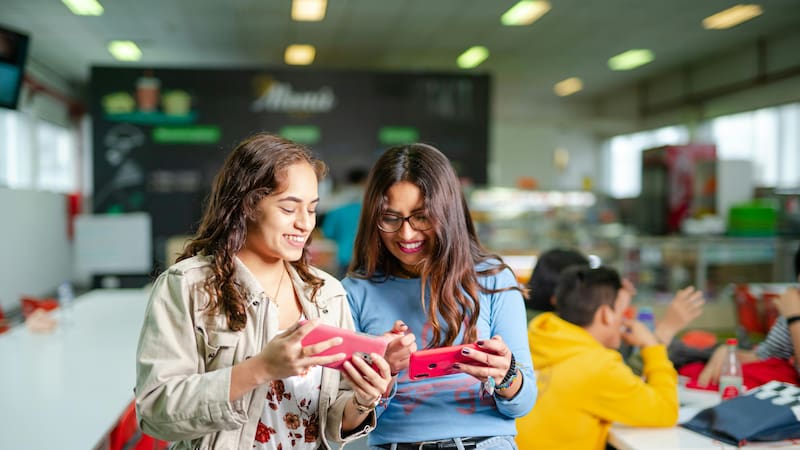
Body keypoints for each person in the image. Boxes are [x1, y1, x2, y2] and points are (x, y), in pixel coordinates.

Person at [135, 133, 393, 450]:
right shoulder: (188, 286)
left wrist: (363, 401)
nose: (305, 224)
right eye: (289, 208)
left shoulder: (326, 293)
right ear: (248, 205)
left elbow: (331, 418)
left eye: (312, 209)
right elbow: (155, 413)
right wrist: (261, 368)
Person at [343, 143, 536, 450]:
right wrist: (385, 373)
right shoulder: (354, 291)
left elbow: (523, 404)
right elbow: (347, 423)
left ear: (448, 214)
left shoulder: (493, 279)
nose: (406, 234)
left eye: (421, 217)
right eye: (390, 218)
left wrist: (506, 374)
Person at [516, 265, 681, 450]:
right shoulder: (598, 365)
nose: (626, 321)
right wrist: (652, 346)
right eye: (623, 313)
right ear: (606, 314)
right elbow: (666, 411)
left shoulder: (535, 340)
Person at [526, 247, 705, 348]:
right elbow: (625, 382)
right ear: (557, 299)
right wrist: (665, 331)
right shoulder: (556, 337)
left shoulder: (534, 325)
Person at [698, 243, 800, 386]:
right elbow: (768, 356)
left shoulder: (794, 311)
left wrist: (795, 318)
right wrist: (732, 354)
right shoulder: (793, 306)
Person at [321, 167, 368, 278]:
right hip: (366, 258)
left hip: (344, 258)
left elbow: (327, 233)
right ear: (365, 181)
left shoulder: (337, 206)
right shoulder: (370, 207)